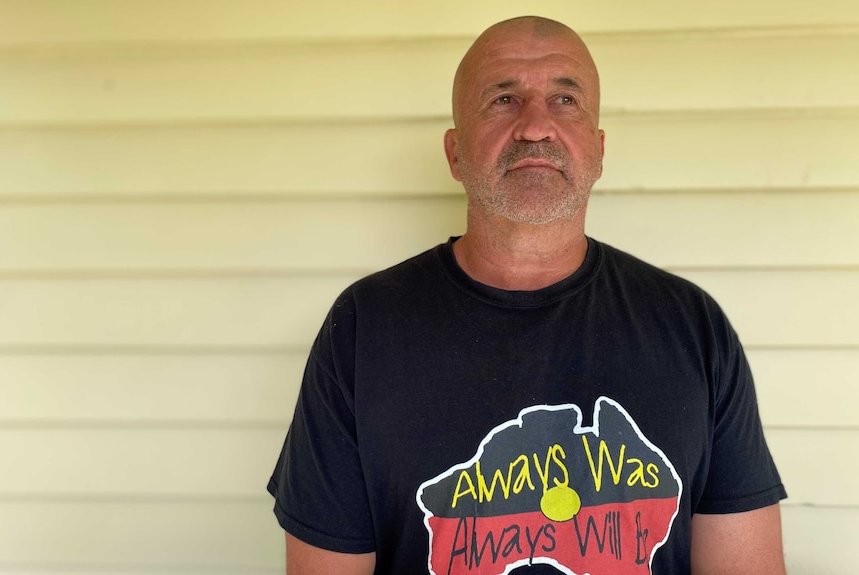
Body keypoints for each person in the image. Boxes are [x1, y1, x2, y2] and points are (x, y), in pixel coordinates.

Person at [268, 16, 787, 575]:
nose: (535, 127)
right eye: (502, 99)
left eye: (565, 99)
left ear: (598, 148)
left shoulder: (692, 326)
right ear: (455, 154)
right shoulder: (363, 327)